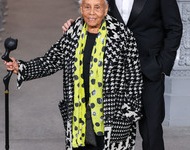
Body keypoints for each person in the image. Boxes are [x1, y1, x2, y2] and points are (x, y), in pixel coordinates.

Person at [5, 0, 143, 149]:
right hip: (80, 115)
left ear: (106, 9)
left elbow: (134, 80)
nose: (91, 12)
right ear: (81, 9)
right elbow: (51, 60)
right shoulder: (73, 32)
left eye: (97, 7)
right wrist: (21, 67)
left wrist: (127, 114)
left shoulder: (122, 35)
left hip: (112, 118)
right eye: (87, 7)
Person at [63, 0, 183, 150]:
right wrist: (75, 25)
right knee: (112, 131)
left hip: (149, 70)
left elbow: (174, 27)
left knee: (152, 130)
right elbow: (95, 13)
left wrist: (162, 65)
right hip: (114, 72)